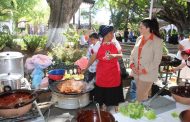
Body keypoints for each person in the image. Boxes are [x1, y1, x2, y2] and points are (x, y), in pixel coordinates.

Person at [84, 25, 124, 112]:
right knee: (103, 89)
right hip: (102, 72)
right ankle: (104, 105)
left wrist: (114, 55)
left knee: (115, 89)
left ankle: (116, 105)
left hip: (114, 72)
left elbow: (121, 55)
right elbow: (93, 57)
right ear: (106, 34)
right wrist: (86, 67)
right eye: (111, 33)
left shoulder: (115, 43)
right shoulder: (98, 44)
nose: (113, 35)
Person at [129, 18, 163, 102]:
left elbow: (157, 61)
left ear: (148, 28)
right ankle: (145, 111)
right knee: (144, 95)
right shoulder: (139, 39)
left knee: (140, 96)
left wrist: (143, 70)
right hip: (136, 72)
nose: (139, 29)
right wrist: (132, 65)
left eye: (141, 27)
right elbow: (132, 54)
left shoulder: (157, 41)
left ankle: (139, 113)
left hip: (148, 73)